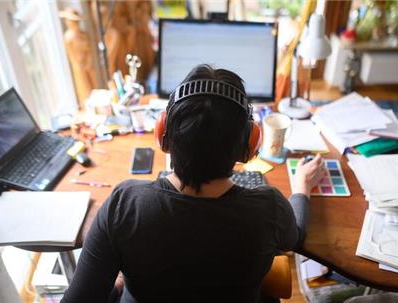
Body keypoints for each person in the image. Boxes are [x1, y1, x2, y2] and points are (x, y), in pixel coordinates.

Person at [61, 64, 325, 303]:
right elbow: (295, 237)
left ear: (163, 134)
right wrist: (301, 188)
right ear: (248, 146)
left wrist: (117, 285)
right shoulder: (269, 209)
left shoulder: (124, 205)